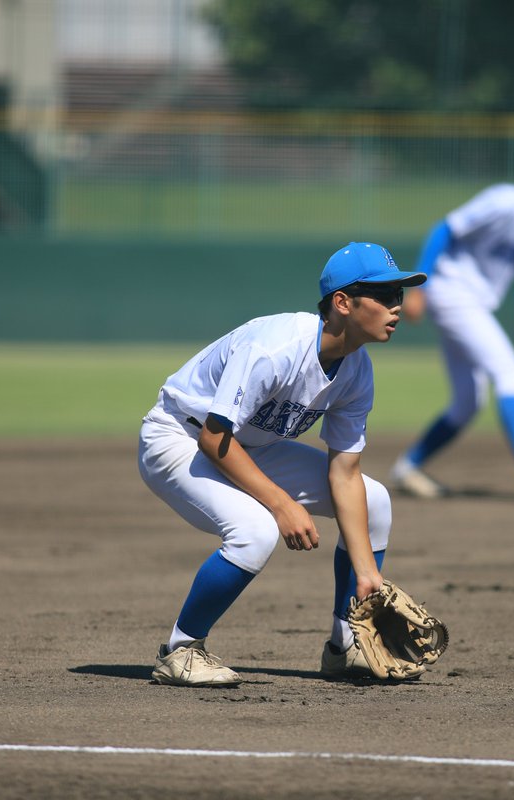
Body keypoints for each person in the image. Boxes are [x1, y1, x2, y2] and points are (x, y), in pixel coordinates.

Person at [138, 242, 426, 687]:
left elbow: (344, 473)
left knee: (375, 500)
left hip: (252, 446)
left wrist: (369, 574)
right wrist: (280, 503)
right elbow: (216, 437)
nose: (396, 306)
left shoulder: (357, 370)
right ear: (343, 303)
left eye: (399, 295)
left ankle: (345, 647)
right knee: (256, 530)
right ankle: (180, 650)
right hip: (180, 437)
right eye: (384, 295)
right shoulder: (276, 348)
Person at [390, 142, 514, 502]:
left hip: (474, 302)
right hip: (451, 288)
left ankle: (407, 469)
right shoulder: (506, 201)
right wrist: (420, 286)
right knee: (510, 373)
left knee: (468, 402)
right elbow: (445, 229)